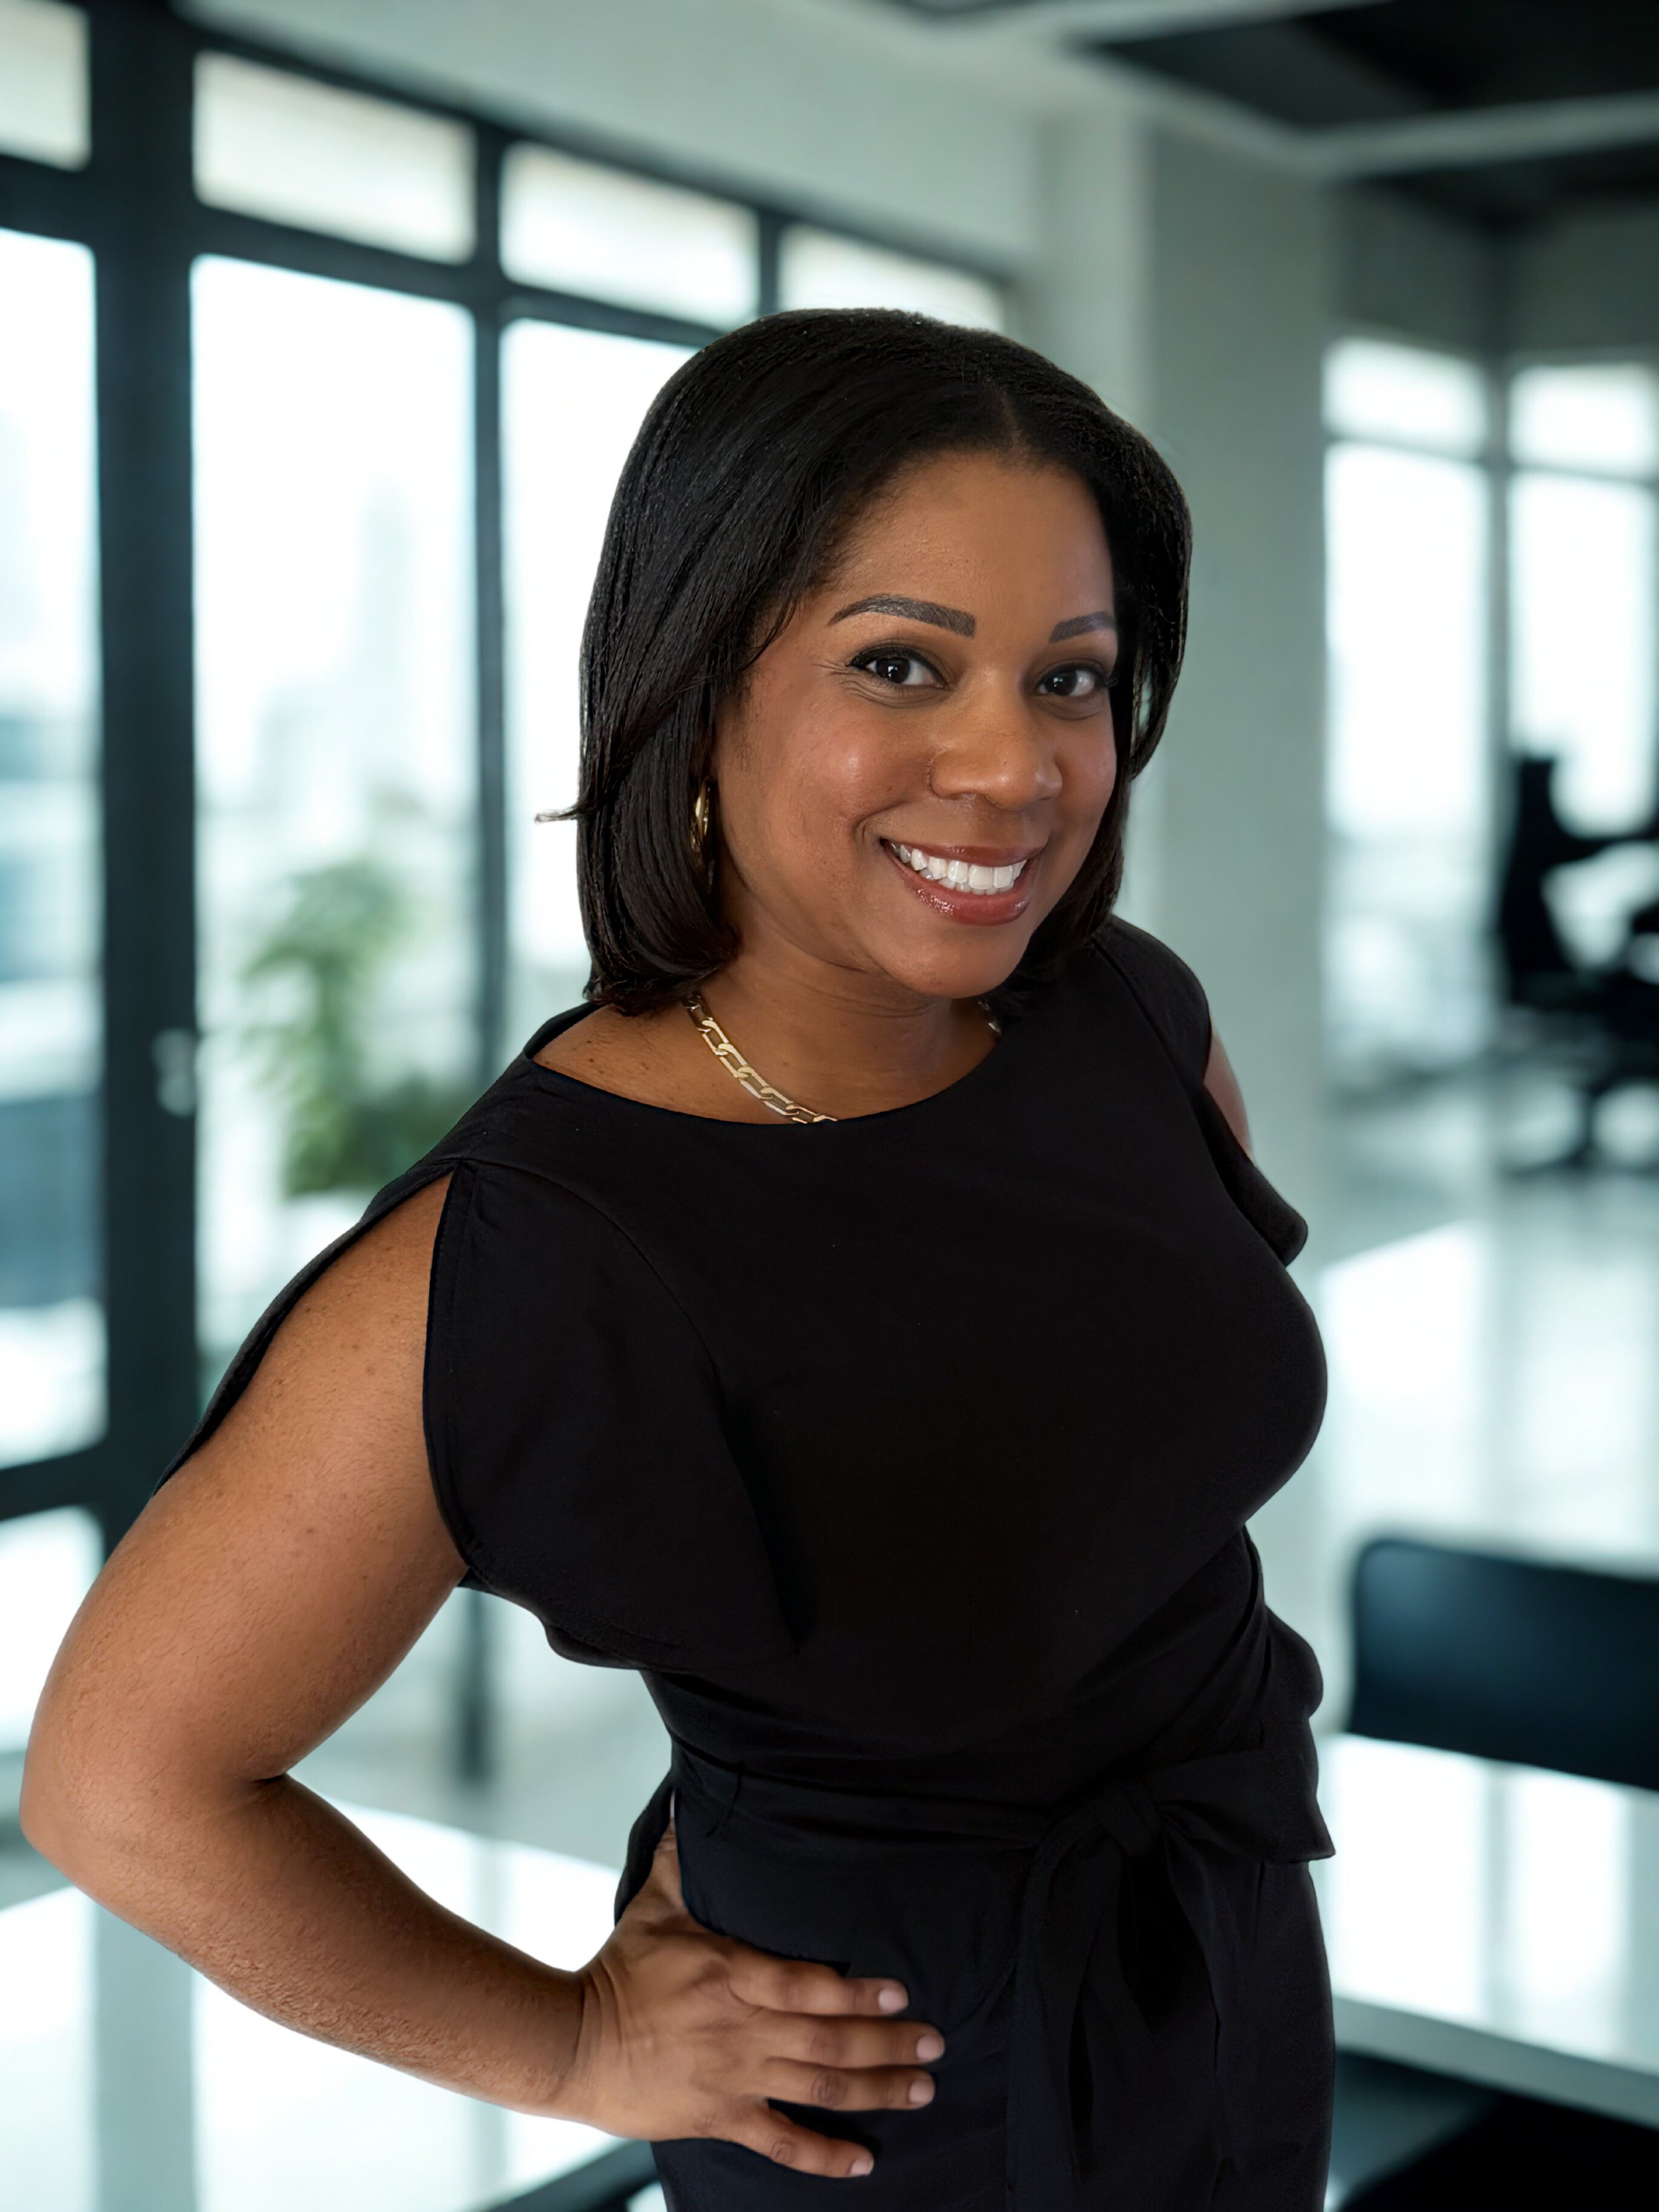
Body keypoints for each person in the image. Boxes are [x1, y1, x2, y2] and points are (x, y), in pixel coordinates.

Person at [23, 309, 1334, 2209]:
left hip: (1220, 1964)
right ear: (696, 673)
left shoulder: (1124, 1014)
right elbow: (122, 1788)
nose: (1017, 765)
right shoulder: (531, 1259)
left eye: (1070, 679)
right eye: (902, 662)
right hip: (889, 2102)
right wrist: (566, 2042)